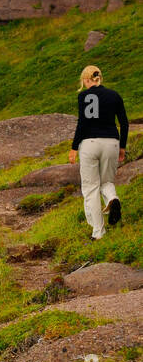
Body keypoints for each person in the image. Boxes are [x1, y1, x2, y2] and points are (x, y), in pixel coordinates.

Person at [69, 65, 128, 240]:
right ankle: (112, 198)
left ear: (87, 80)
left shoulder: (83, 96)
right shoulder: (114, 95)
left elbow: (82, 124)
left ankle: (98, 232)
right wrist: (122, 146)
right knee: (106, 181)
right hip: (111, 142)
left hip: (89, 144)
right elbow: (124, 123)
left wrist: (73, 147)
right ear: (99, 78)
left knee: (90, 188)